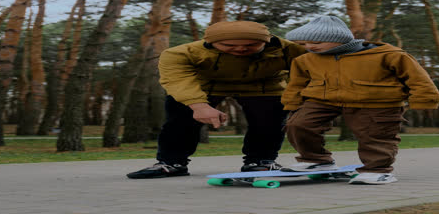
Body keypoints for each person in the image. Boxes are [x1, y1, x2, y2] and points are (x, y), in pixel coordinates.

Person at [126, 21, 307, 179]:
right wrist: (199, 106)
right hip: (204, 85)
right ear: (210, 43)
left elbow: (310, 72)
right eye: (229, 45)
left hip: (264, 85)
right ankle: (171, 163)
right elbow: (177, 80)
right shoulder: (179, 53)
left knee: (269, 121)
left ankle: (261, 162)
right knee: (181, 118)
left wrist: (303, 98)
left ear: (267, 41)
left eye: (252, 44)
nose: (241, 49)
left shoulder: (289, 49)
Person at [280, 15, 439, 184]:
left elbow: (417, 78)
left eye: (317, 43)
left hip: (376, 102)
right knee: (299, 124)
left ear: (339, 39)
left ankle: (377, 170)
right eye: (303, 44)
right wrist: (291, 102)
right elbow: (296, 83)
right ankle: (316, 160)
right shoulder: (305, 59)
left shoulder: (388, 54)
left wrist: (424, 99)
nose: (310, 47)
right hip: (322, 99)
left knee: (375, 135)